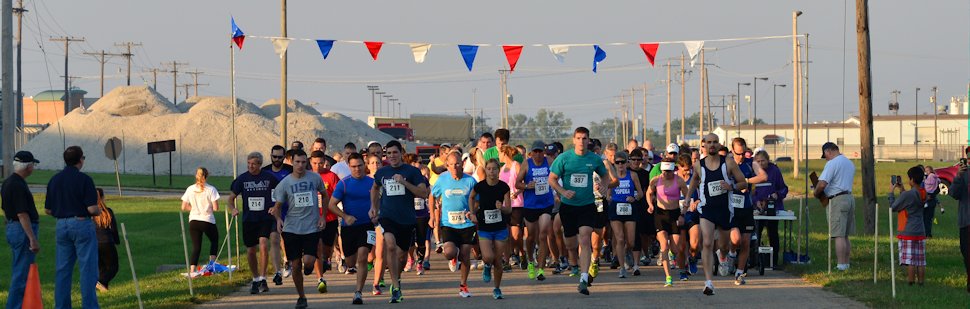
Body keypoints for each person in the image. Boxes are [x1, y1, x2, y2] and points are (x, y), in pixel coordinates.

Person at [549, 127, 615, 295]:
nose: (581, 141)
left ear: (588, 140)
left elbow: (605, 175)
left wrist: (604, 186)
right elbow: (552, 179)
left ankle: (584, 279)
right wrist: (563, 192)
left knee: (585, 239)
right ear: (573, 140)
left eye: (584, 138)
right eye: (578, 138)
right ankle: (574, 263)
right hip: (568, 207)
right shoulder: (564, 158)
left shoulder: (594, 159)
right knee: (571, 244)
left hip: (587, 205)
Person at [686, 134, 748, 296]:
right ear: (704, 145)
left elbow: (743, 183)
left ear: (719, 145)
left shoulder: (728, 163)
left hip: (725, 210)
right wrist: (687, 198)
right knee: (707, 242)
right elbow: (694, 181)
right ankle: (708, 282)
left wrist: (731, 186)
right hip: (706, 209)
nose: (712, 145)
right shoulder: (699, 165)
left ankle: (724, 255)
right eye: (709, 142)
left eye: (715, 142)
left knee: (723, 246)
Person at [371, 140, 429, 303]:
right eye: (388, 153)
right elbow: (374, 188)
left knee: (402, 257)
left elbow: (423, 193)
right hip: (387, 216)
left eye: (395, 152)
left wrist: (404, 182)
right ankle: (396, 288)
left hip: (407, 219)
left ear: (401, 153)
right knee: (390, 245)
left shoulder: (412, 171)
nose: (392, 156)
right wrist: (373, 207)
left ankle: (397, 278)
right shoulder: (382, 172)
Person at [271, 149, 327, 309]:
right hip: (291, 228)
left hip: (311, 226)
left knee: (308, 262)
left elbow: (324, 195)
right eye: (297, 162)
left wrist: (322, 216)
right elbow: (277, 207)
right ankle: (301, 297)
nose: (300, 165)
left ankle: (309, 267)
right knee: (295, 264)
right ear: (291, 162)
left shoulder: (315, 178)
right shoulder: (285, 183)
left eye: (303, 162)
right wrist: (278, 219)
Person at [46, 146, 101, 308]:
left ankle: (62, 306)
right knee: (88, 269)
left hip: (61, 224)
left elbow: (48, 210)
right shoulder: (85, 180)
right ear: (80, 160)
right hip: (81, 223)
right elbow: (92, 209)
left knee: (63, 270)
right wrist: (99, 211)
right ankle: (89, 305)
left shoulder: (54, 180)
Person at [327, 153, 377, 304]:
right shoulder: (344, 183)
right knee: (350, 262)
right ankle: (347, 263)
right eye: (354, 166)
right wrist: (345, 216)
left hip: (367, 225)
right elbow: (331, 205)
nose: (357, 169)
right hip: (348, 226)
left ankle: (358, 292)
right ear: (349, 167)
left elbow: (379, 201)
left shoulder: (372, 183)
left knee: (363, 257)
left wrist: (376, 212)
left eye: (360, 165)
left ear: (364, 165)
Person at [430, 152, 479, 298]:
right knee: (449, 252)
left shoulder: (470, 181)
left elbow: (477, 200)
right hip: (449, 224)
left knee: (465, 255)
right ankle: (453, 257)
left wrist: (473, 212)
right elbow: (432, 195)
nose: (454, 167)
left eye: (457, 163)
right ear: (447, 166)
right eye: (451, 164)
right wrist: (432, 216)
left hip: (466, 224)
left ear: (462, 164)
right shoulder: (442, 179)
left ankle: (463, 285)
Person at [229, 152, 279, 294]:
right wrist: (233, 209)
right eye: (249, 163)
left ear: (260, 164)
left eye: (254, 164)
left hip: (265, 218)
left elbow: (279, 194)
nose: (251, 166)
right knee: (251, 250)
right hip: (249, 219)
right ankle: (255, 278)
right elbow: (231, 198)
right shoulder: (242, 179)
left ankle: (263, 278)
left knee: (263, 244)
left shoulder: (269, 178)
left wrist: (275, 206)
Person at [469, 158, 514, 299]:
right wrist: (472, 213)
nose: (491, 171)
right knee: (488, 256)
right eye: (489, 169)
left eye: (494, 169)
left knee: (498, 260)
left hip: (500, 228)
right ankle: (487, 265)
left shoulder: (504, 187)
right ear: (485, 170)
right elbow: (471, 197)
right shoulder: (480, 186)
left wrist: (502, 208)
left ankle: (497, 288)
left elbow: (509, 210)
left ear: (498, 171)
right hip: (484, 227)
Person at [726, 137, 768, 284]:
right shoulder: (727, 164)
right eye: (738, 154)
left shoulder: (751, 163)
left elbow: (763, 176)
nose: (741, 156)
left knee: (745, 242)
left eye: (743, 153)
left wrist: (746, 181)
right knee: (736, 239)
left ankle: (739, 273)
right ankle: (731, 254)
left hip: (746, 208)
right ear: (732, 151)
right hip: (731, 209)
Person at [3, 151, 41, 309]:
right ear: (28, 166)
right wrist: (32, 238)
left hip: (13, 227)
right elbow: (22, 214)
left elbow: (7, 209)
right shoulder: (18, 185)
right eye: (33, 164)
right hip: (22, 229)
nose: (33, 167)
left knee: (19, 269)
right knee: (22, 274)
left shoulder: (8, 182)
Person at [813, 142, 856, 271]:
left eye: (825, 155)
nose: (826, 158)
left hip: (837, 200)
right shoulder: (849, 163)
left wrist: (816, 193)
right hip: (849, 197)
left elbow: (822, 184)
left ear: (828, 151)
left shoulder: (832, 163)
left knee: (838, 235)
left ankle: (841, 265)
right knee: (845, 235)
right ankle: (846, 263)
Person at [517, 143, 555, 281]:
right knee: (531, 237)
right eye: (535, 152)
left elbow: (557, 177)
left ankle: (541, 269)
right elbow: (517, 183)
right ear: (531, 153)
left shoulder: (549, 162)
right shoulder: (526, 164)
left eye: (540, 151)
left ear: (543, 152)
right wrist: (527, 186)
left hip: (546, 203)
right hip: (531, 205)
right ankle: (530, 261)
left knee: (543, 234)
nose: (538, 154)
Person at [648, 159, 688, 287]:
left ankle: (673, 256)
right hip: (660, 215)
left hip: (675, 214)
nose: (666, 174)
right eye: (664, 171)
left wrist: (682, 214)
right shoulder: (656, 180)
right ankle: (668, 277)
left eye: (669, 171)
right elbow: (649, 193)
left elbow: (687, 199)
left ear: (673, 170)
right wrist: (650, 205)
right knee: (664, 245)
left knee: (675, 249)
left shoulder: (679, 181)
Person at [607, 151, 643, 279]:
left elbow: (640, 193)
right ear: (614, 163)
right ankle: (622, 268)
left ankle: (627, 252)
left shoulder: (632, 175)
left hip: (629, 208)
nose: (620, 165)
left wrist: (634, 197)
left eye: (622, 162)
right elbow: (607, 193)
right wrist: (609, 197)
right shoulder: (611, 177)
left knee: (631, 242)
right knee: (620, 238)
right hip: (615, 208)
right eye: (617, 162)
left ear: (627, 163)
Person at [890, 166, 927, 286]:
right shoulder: (923, 193)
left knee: (910, 260)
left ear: (912, 179)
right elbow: (909, 198)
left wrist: (891, 192)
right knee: (920, 261)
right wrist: (902, 190)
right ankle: (921, 282)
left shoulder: (908, 195)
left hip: (908, 230)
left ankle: (911, 282)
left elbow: (894, 206)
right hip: (920, 230)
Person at [751, 150, 789, 269]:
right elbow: (750, 192)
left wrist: (777, 194)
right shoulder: (752, 171)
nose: (761, 164)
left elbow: (784, 188)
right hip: (757, 210)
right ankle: (755, 261)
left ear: (768, 160)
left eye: (763, 161)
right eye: (758, 161)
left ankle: (774, 261)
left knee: (773, 234)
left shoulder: (775, 171)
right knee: (756, 234)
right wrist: (756, 201)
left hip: (773, 209)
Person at [181, 167, 221, 276]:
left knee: (196, 247)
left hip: (193, 220)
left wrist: (194, 209)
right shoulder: (211, 189)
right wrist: (206, 209)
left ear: (196, 176)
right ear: (207, 176)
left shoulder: (190, 189)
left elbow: (184, 206)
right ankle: (212, 264)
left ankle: (192, 270)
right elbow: (216, 208)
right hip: (207, 220)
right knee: (214, 240)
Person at [263, 145, 292, 284]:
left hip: (289, 210)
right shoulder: (265, 171)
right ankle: (277, 272)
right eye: (274, 156)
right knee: (274, 239)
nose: (277, 159)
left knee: (289, 240)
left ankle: (288, 260)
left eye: (280, 157)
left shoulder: (290, 170)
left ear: (284, 157)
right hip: (273, 210)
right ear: (271, 156)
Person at [310, 151, 338, 294]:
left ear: (325, 162)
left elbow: (338, 194)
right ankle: (320, 279)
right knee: (317, 247)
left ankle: (326, 260)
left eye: (320, 163)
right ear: (310, 162)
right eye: (314, 163)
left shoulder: (331, 176)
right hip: (312, 219)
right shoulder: (307, 176)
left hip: (330, 218)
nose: (317, 166)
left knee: (326, 250)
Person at [498, 145, 526, 271]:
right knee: (505, 235)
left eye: (500, 153)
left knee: (516, 236)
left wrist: (517, 192)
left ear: (505, 154)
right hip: (505, 205)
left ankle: (522, 253)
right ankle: (506, 260)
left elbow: (523, 184)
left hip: (517, 205)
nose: (498, 156)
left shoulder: (516, 166)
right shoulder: (502, 169)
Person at [628, 148, 655, 275]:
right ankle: (624, 256)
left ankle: (638, 261)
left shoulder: (645, 174)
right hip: (625, 206)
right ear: (629, 160)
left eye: (638, 159)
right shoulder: (625, 172)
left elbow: (648, 190)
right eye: (633, 159)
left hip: (642, 206)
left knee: (643, 234)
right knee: (626, 236)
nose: (636, 162)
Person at [675, 154, 701, 280]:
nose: (687, 172)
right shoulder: (674, 179)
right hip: (678, 216)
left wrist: (697, 202)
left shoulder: (695, 179)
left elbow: (702, 196)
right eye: (684, 169)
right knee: (681, 248)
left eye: (689, 169)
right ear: (678, 167)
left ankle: (692, 258)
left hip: (692, 215)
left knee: (694, 244)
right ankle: (682, 270)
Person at [947, 147, 970, 293]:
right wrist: (958, 177)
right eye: (968, 158)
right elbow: (953, 193)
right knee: (967, 253)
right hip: (966, 221)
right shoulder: (963, 175)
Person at [93, 188, 119, 292]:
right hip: (107, 242)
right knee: (113, 267)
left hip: (94, 243)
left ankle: (104, 289)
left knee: (102, 268)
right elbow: (113, 228)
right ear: (103, 197)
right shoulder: (108, 212)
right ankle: (100, 282)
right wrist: (116, 241)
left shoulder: (90, 212)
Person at [923, 165, 940, 237]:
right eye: (925, 171)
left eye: (927, 170)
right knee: (928, 218)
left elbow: (931, 183)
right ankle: (928, 233)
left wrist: (925, 181)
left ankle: (927, 233)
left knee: (926, 218)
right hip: (932, 199)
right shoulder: (935, 177)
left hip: (929, 198)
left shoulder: (931, 177)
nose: (926, 172)